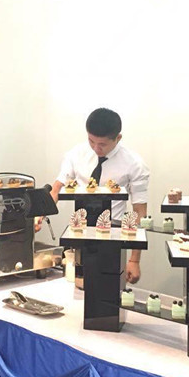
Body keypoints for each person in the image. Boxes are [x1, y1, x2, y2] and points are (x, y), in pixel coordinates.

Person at [47, 108, 149, 284]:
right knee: (75, 286)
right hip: (79, 232)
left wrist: (134, 260)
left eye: (102, 144)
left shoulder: (134, 164)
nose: (96, 148)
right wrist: (41, 214)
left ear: (118, 138)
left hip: (113, 235)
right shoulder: (76, 154)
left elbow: (139, 212)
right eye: (91, 141)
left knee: (107, 288)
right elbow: (56, 189)